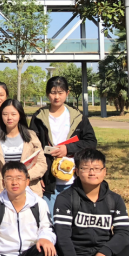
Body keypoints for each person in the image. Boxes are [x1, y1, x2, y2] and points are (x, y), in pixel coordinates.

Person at [29, 76, 97, 215]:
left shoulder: (77, 117)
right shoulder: (39, 117)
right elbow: (31, 148)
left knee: (73, 220)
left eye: (60, 93)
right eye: (53, 92)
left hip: (74, 180)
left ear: (67, 93)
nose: (56, 97)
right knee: (50, 220)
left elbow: (91, 142)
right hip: (48, 182)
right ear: (47, 93)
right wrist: (38, 176)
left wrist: (68, 149)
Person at [0, 99, 46, 198]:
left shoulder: (31, 136)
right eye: (5, 114)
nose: (9, 118)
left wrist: (24, 176)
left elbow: (42, 163)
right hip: (3, 192)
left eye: (13, 114)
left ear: (20, 115)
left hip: (30, 192)